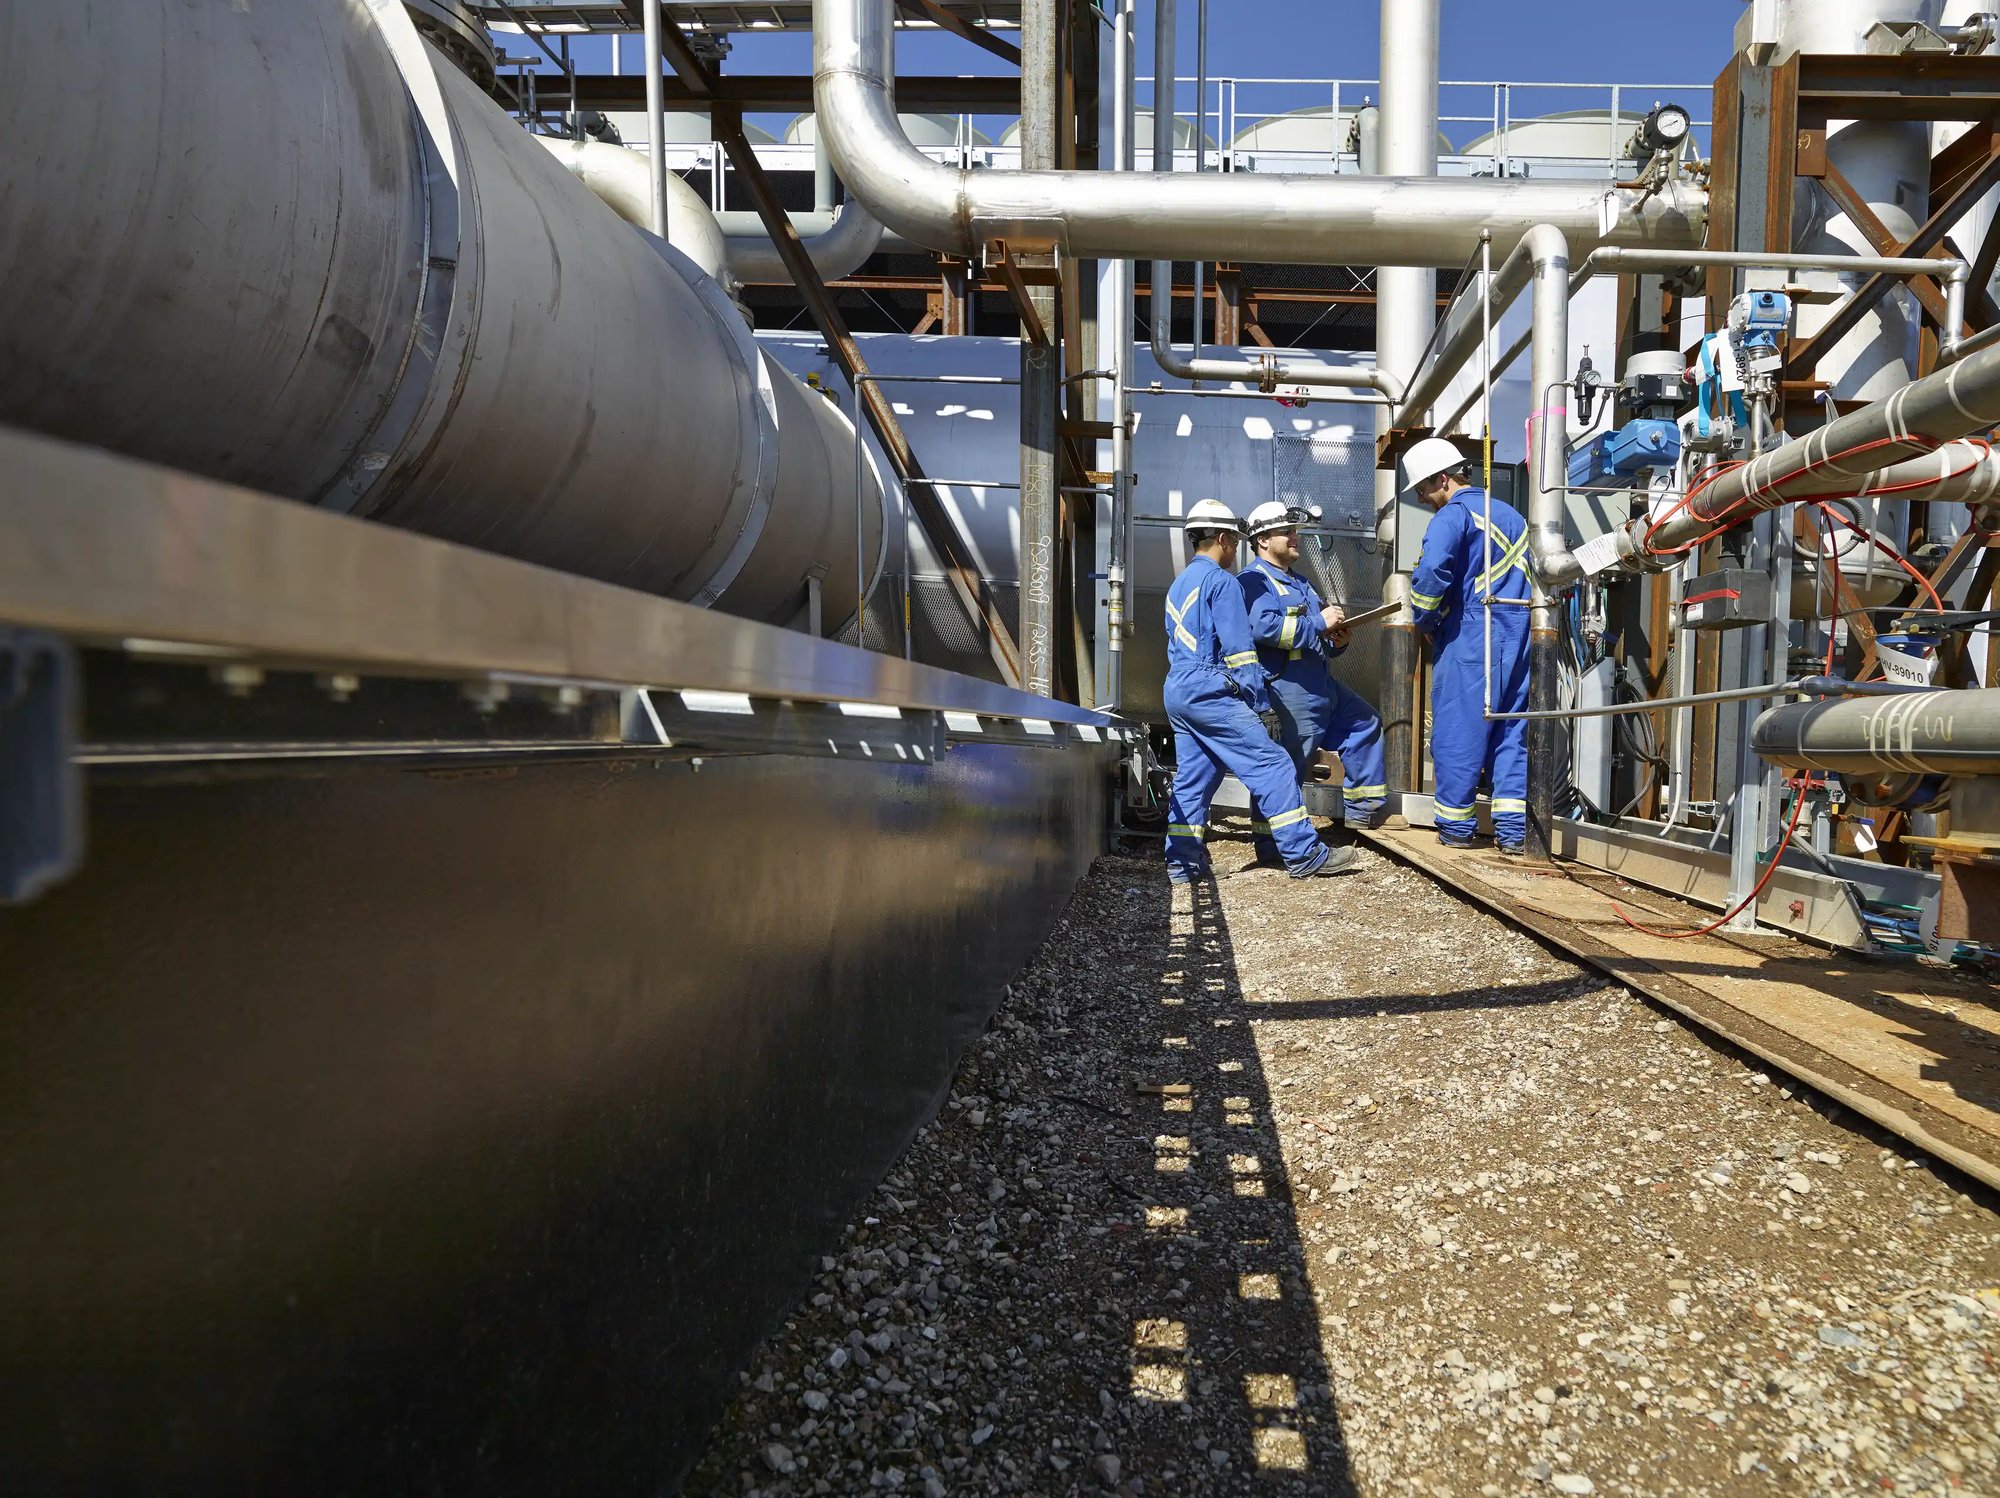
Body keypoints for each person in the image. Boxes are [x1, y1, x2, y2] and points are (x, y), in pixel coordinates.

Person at [1161, 499, 1358, 882]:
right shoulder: (1223, 583)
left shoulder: (1179, 583)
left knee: (1194, 777)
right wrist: (1261, 704)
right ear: (1222, 538)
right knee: (1274, 763)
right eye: (1234, 540)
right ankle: (1304, 855)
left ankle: (1182, 865)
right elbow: (1240, 653)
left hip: (1178, 690)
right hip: (1210, 690)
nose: (1237, 548)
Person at [1237, 501, 1390, 854]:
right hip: (1289, 690)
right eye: (1286, 532)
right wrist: (1320, 624)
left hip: (1321, 684)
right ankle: (1272, 841)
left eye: (1295, 531)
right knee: (1285, 765)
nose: (1295, 537)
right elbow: (1265, 627)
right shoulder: (1253, 582)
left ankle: (1363, 813)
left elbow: (1318, 632)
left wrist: (1339, 639)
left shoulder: (1300, 582)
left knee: (1364, 722)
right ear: (1261, 540)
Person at [1401, 437, 1530, 854]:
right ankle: (1512, 834)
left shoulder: (1452, 516)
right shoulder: (1512, 515)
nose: (1422, 497)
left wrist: (1425, 621)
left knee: (1459, 730)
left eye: (1422, 488)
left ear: (1443, 479)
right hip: (1520, 631)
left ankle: (1456, 829)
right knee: (1511, 731)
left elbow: (1430, 577)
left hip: (1473, 632)